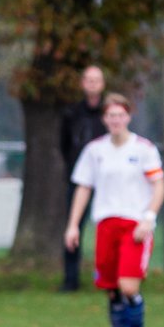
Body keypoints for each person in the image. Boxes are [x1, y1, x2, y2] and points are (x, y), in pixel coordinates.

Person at [64, 92, 164, 327]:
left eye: (120, 115)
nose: (115, 120)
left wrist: (148, 217)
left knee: (128, 286)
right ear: (104, 119)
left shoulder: (143, 148)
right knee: (111, 291)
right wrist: (73, 224)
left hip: (134, 226)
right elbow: (84, 187)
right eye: (110, 115)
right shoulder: (95, 151)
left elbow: (159, 185)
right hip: (106, 224)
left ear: (128, 117)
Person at [59, 65, 108, 291]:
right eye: (88, 79)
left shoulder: (109, 114)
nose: (92, 84)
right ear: (82, 83)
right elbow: (64, 145)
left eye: (96, 80)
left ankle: (110, 276)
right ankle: (71, 280)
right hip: (79, 181)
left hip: (108, 181)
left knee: (108, 227)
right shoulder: (71, 113)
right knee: (73, 227)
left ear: (102, 83)